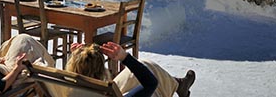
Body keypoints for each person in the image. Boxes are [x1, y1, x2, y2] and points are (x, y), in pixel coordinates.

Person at [66, 42, 196, 97]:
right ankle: (178, 85)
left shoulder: (59, 88)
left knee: (145, 64)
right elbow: (151, 83)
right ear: (102, 71)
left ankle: (178, 84)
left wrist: (79, 58)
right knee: (155, 89)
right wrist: (124, 57)